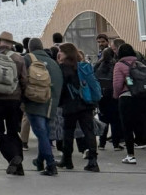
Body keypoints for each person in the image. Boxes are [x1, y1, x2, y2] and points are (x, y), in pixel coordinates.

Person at [0, 30, 27, 175]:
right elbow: (24, 79)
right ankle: (19, 166)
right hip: (14, 98)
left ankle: (12, 157)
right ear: (11, 44)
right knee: (13, 131)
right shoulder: (19, 58)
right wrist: (23, 97)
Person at [55, 43, 101, 172]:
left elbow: (61, 87)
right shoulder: (82, 66)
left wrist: (58, 103)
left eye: (60, 51)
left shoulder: (62, 68)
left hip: (70, 104)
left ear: (66, 53)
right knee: (89, 132)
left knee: (68, 132)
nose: (59, 53)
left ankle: (67, 159)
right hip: (86, 103)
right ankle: (93, 161)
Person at [111, 44, 146, 164]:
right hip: (144, 98)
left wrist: (116, 96)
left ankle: (130, 156)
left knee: (127, 128)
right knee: (143, 127)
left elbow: (117, 84)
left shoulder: (119, 65)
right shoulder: (140, 64)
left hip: (127, 99)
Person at [22, 37, 61, 175]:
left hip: (35, 102)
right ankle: (39, 161)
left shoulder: (28, 59)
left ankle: (50, 164)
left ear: (29, 48)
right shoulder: (53, 62)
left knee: (41, 134)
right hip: (51, 103)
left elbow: (22, 79)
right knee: (44, 133)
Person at [94, 35, 121, 149]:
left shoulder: (97, 65)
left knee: (103, 119)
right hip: (113, 95)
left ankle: (102, 143)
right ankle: (116, 143)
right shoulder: (116, 65)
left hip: (101, 95)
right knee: (115, 120)